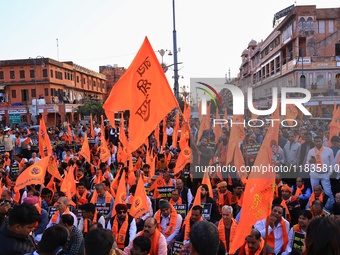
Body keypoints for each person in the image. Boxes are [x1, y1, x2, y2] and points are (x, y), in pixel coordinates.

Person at [306, 135, 335, 208]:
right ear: (314, 142)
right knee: (314, 191)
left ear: (322, 141)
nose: (317, 143)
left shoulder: (329, 150)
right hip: (314, 173)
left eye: (319, 141)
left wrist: (329, 174)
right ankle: (312, 207)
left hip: (325, 174)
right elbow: (307, 163)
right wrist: (310, 162)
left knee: (328, 191)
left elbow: (332, 163)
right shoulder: (311, 151)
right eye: (316, 141)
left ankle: (330, 206)